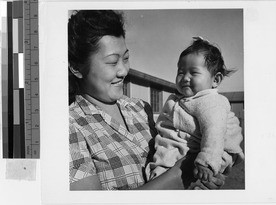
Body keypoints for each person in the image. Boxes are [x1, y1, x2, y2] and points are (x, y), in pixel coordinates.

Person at [68, 10, 227, 190]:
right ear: (76, 67)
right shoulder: (69, 126)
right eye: (112, 62)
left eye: (126, 58)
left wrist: (207, 174)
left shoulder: (140, 108)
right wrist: (181, 174)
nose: (123, 71)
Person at [145, 37, 245, 183]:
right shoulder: (181, 99)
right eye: (181, 72)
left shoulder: (211, 101)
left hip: (205, 155)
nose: (185, 78)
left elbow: (215, 132)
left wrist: (206, 161)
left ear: (215, 80)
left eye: (194, 73)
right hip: (176, 153)